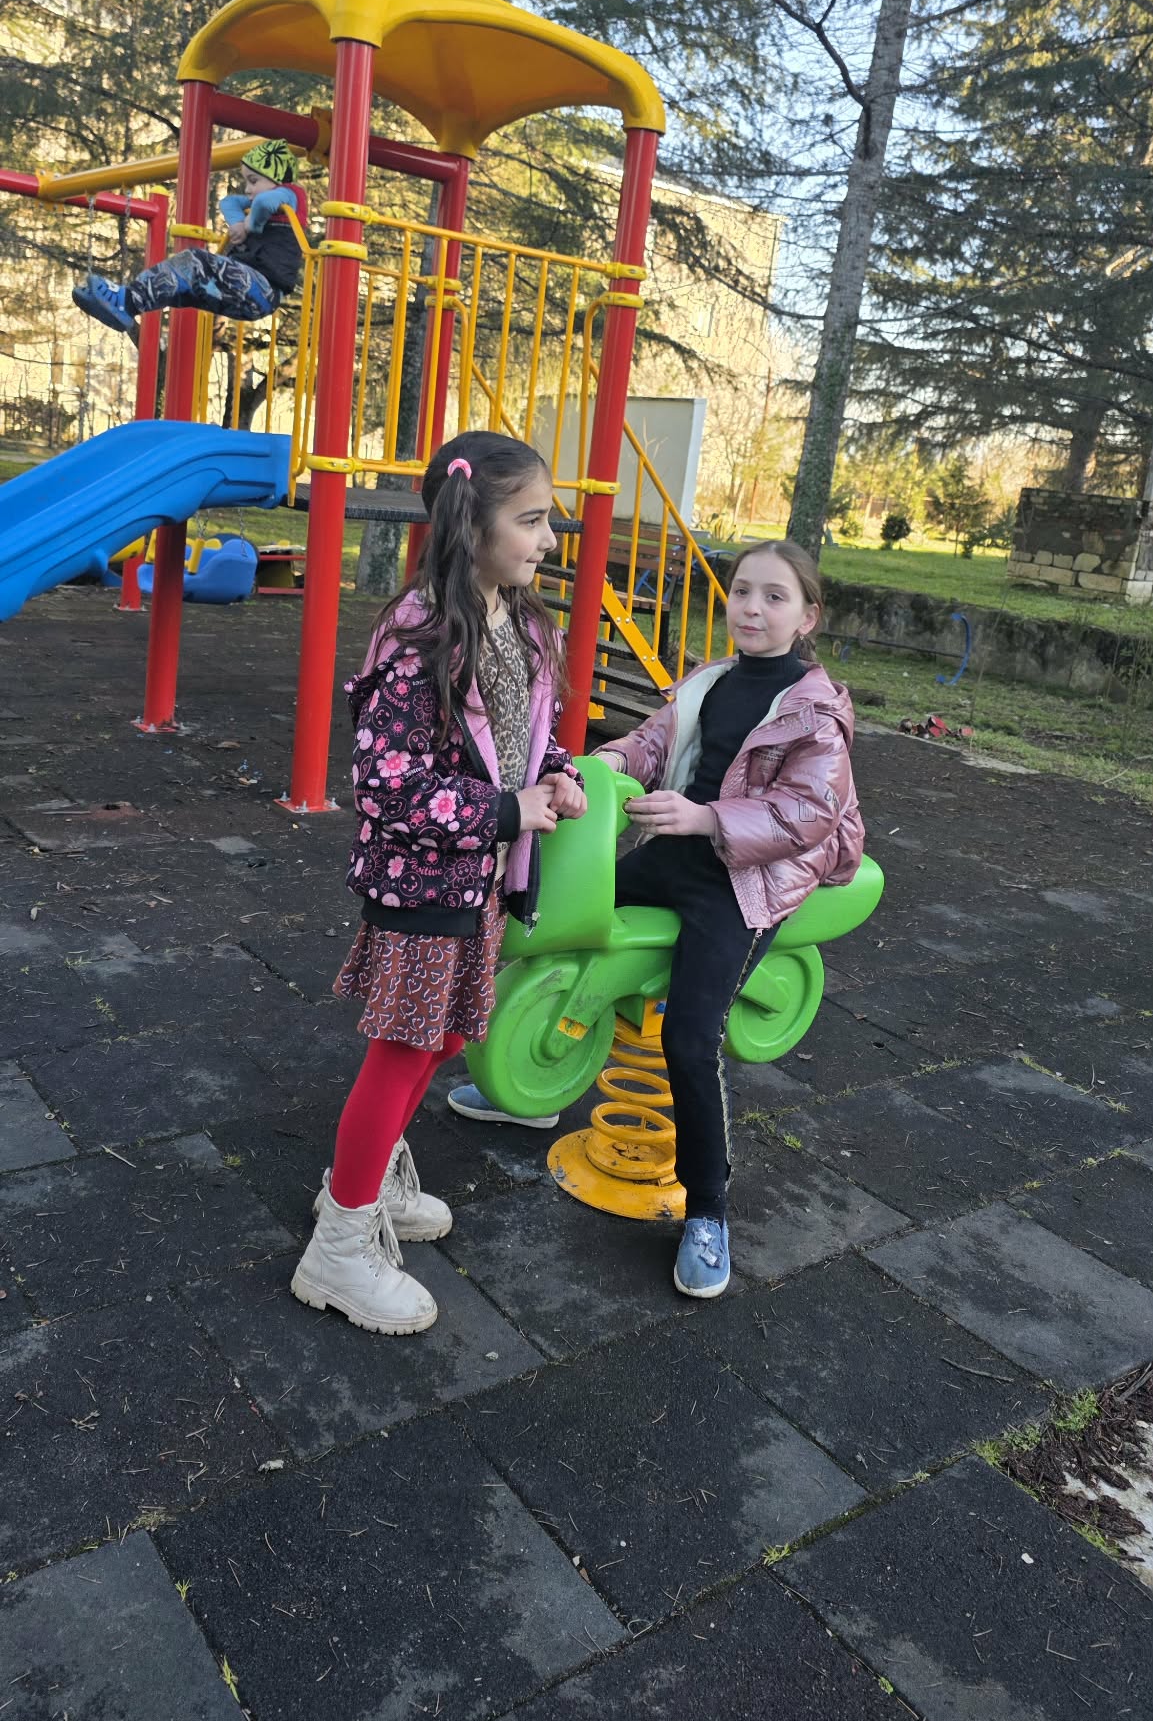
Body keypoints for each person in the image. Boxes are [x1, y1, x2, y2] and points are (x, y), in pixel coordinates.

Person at [448, 538, 865, 1301]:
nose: (752, 609)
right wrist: (600, 767)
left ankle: (707, 1211)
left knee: (689, 1036)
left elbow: (807, 813)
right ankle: (533, 1087)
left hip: (742, 882)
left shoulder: (816, 713)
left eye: (774, 597)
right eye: (742, 591)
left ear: (808, 617)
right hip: (675, 853)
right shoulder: (710, 682)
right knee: (552, 921)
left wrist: (706, 818)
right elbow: (651, 743)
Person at [291, 431, 587, 1336]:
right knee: (404, 1051)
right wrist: (507, 812)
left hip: (481, 880)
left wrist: (557, 774)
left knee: (449, 1033)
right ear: (471, 524)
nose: (548, 540)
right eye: (530, 520)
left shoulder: (520, 622)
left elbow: (527, 736)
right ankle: (339, 1245)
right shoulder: (421, 636)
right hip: (425, 883)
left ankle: (366, 1174)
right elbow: (386, 785)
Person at [71, 138, 305, 341]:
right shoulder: (262, 199)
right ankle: (126, 305)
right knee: (181, 284)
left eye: (253, 181)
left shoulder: (291, 194)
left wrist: (250, 225)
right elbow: (228, 202)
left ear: (278, 179)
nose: (247, 189)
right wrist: (237, 224)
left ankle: (126, 299)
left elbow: (264, 203)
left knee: (194, 262)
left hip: (264, 289)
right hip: (245, 291)